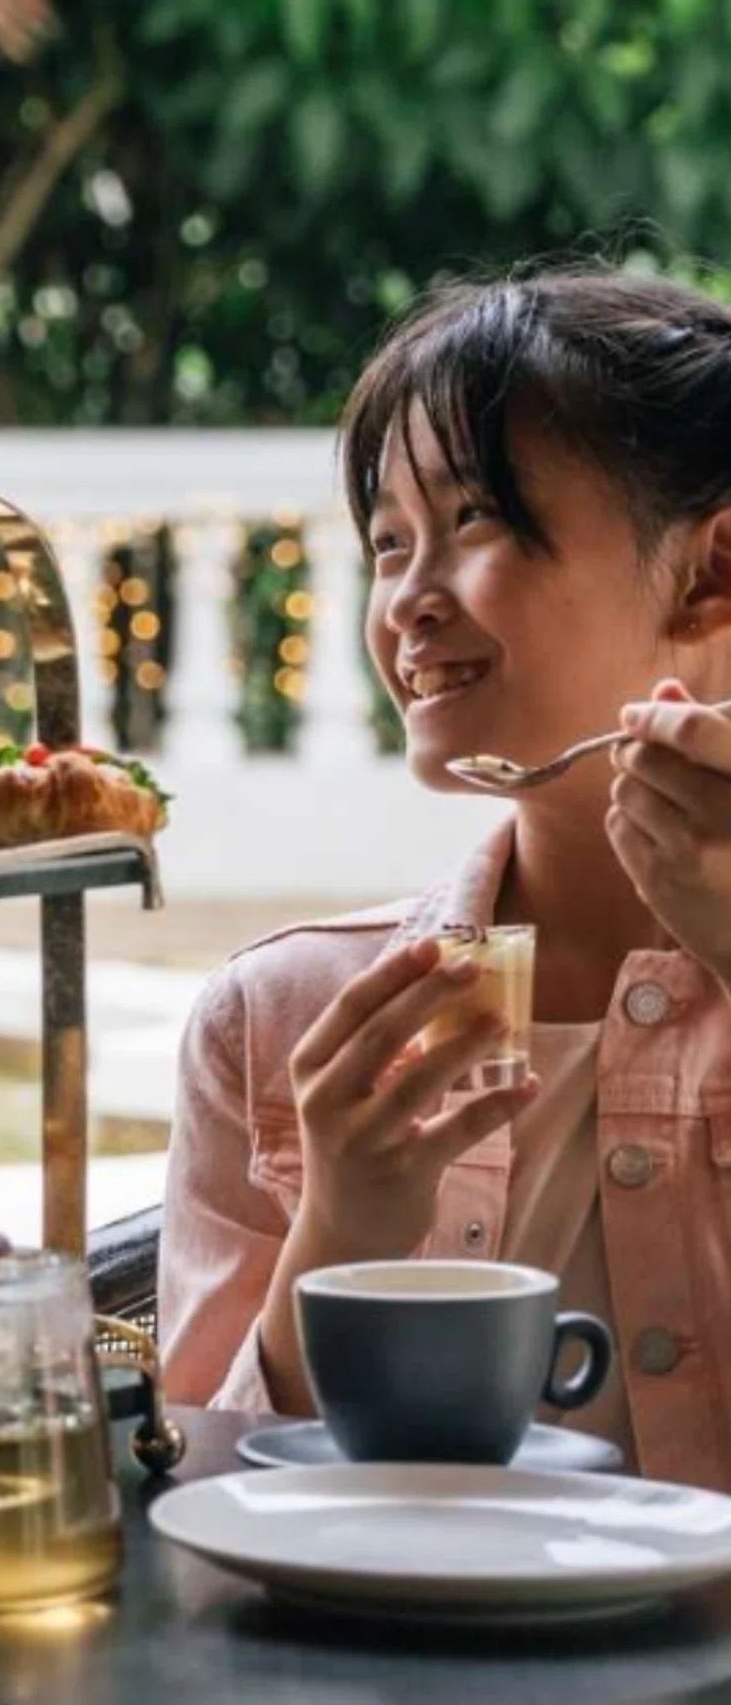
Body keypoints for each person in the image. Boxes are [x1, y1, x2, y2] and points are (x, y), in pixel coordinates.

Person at [160, 271, 731, 1488]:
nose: (407, 603)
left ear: (711, 572)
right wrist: (340, 1230)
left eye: (475, 520)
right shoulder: (276, 1021)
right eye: (387, 543)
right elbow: (199, 1501)